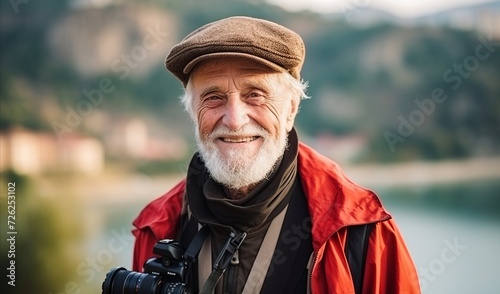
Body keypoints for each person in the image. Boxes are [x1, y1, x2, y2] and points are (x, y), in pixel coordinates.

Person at [131, 16, 421, 293]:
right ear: (193, 112)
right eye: (213, 97)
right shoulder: (157, 226)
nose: (234, 119)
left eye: (255, 94)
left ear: (291, 109)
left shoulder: (361, 229)